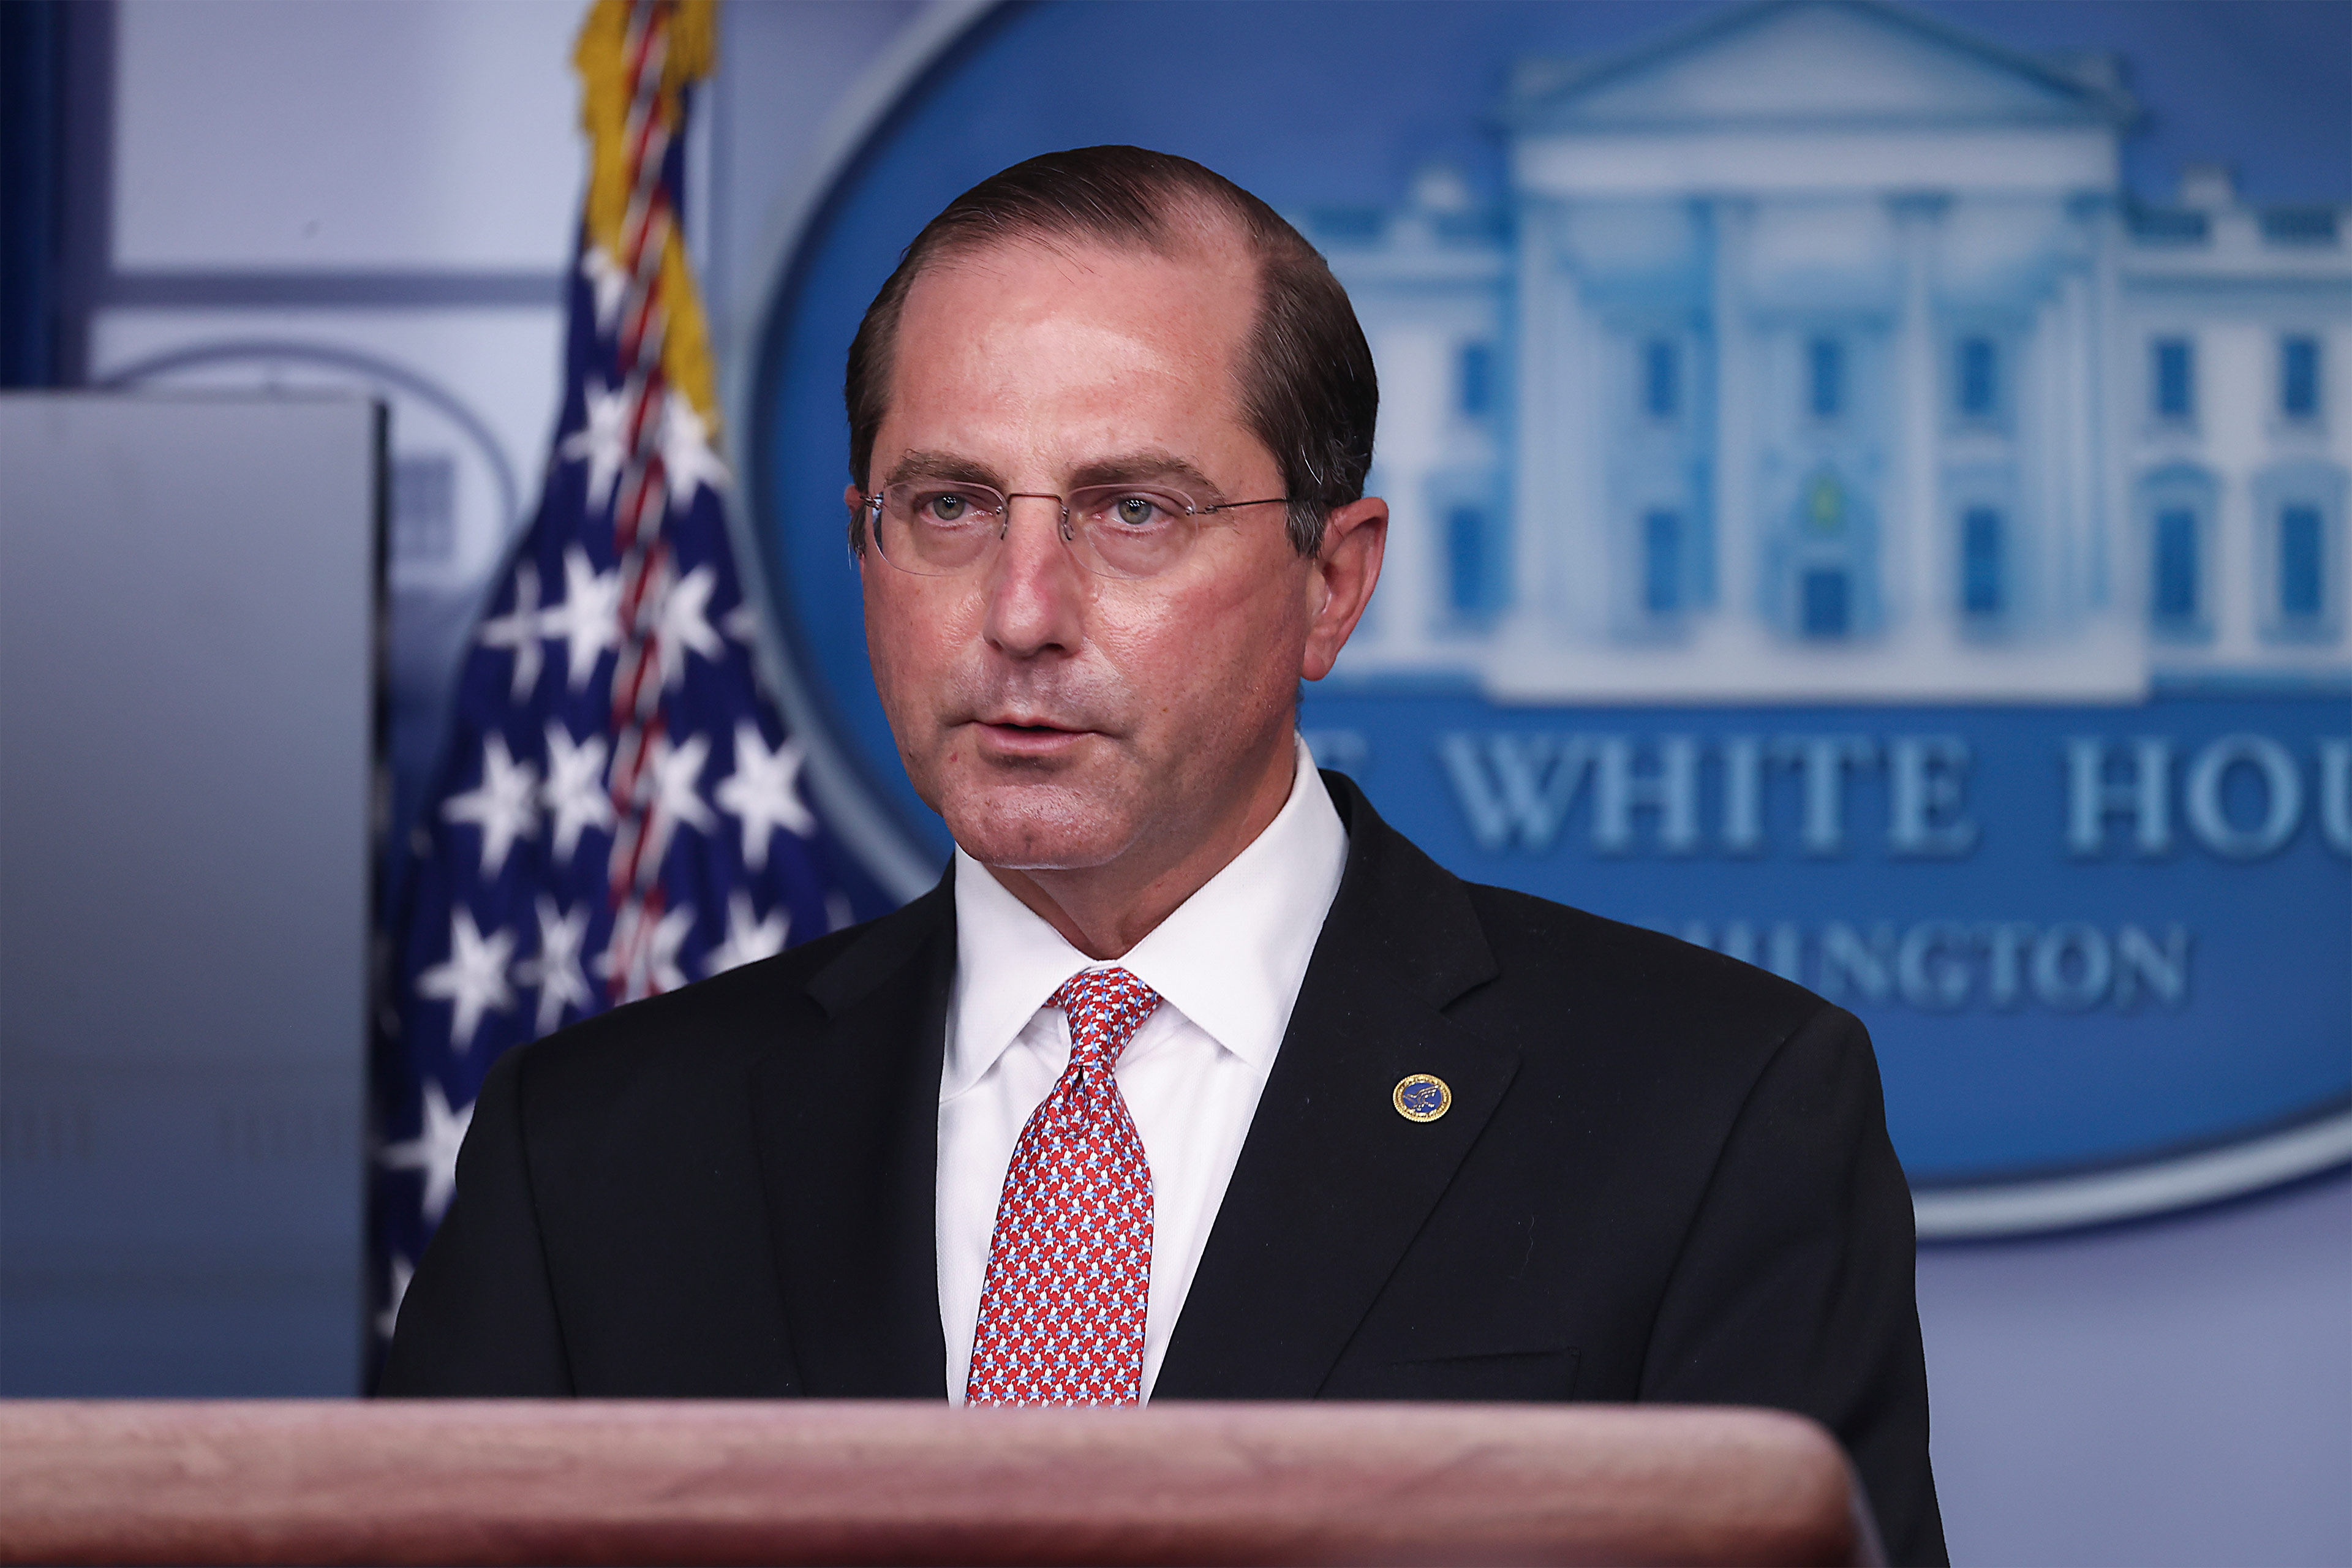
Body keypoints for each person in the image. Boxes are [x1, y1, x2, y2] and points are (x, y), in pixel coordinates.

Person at [383, 145, 1945, 1566]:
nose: (1020, 609)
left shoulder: (1715, 1113)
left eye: (1132, 509)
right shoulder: (592, 1150)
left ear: (1333, 580)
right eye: (948, 506)